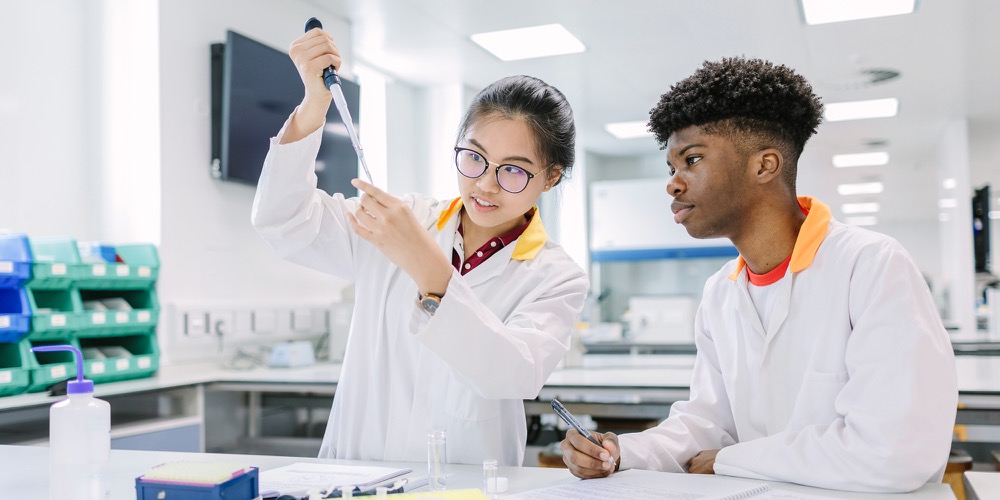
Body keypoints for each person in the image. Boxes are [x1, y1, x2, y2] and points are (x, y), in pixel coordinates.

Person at [559, 57, 957, 492]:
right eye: (671, 168)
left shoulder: (871, 265)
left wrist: (731, 460)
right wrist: (621, 452)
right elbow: (710, 424)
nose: (673, 183)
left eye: (692, 159)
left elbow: (894, 452)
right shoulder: (720, 293)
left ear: (765, 165)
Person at [251, 27, 588, 466]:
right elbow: (284, 220)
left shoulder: (556, 276)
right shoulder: (401, 219)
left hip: (467, 486)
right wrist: (315, 105)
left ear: (551, 177)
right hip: (358, 474)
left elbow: (514, 375)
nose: (485, 184)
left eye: (513, 170)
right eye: (474, 157)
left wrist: (427, 267)